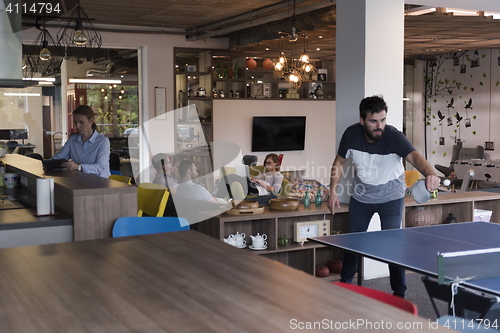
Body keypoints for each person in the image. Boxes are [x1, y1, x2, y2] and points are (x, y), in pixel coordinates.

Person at [327, 95, 440, 298]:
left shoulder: (393, 136)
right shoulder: (351, 134)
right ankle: (345, 286)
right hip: (362, 197)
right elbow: (339, 163)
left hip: (391, 197)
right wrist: (332, 190)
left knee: (392, 245)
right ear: (362, 120)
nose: (379, 125)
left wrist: (430, 173)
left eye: (383, 120)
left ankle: (399, 293)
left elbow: (414, 156)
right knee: (353, 243)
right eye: (373, 121)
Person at [51, 105, 111, 178]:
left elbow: (100, 168)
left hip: (101, 183)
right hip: (81, 181)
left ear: (91, 120)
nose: (77, 126)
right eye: (75, 122)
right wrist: (46, 164)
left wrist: (78, 167)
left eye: (81, 122)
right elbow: (59, 157)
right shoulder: (73, 140)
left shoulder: (103, 141)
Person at [214, 153, 284, 201]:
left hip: (258, 190)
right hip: (253, 185)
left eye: (269, 163)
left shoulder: (277, 175)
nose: (266, 164)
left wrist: (260, 182)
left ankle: (218, 198)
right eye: (266, 162)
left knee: (231, 176)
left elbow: (275, 191)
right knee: (226, 177)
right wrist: (253, 179)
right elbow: (255, 180)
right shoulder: (263, 173)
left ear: (276, 163)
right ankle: (219, 199)